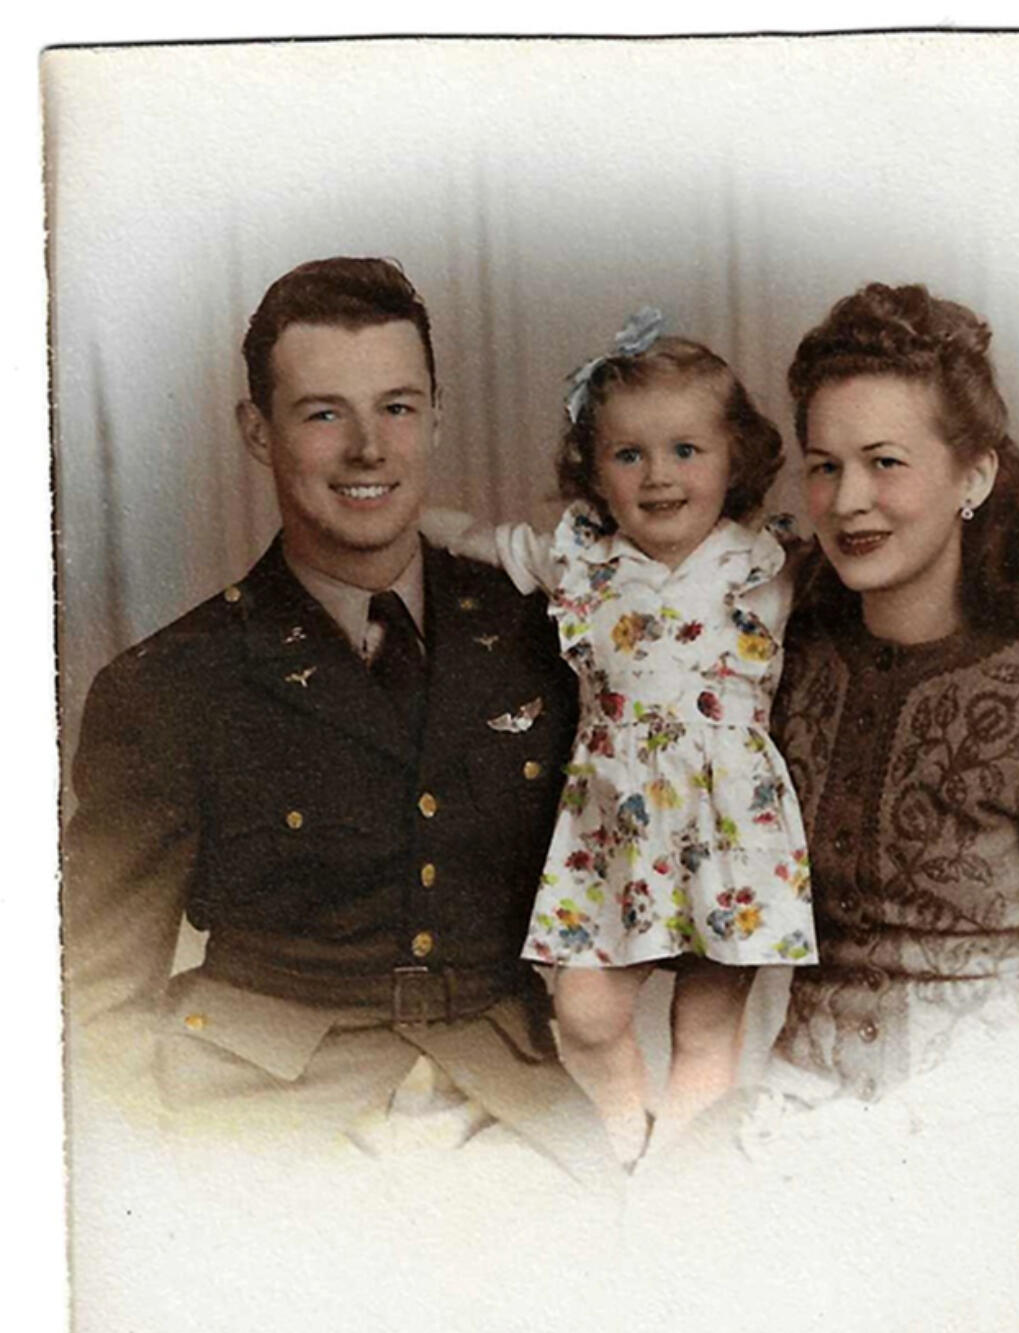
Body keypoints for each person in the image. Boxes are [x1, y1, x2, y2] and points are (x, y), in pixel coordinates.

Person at [62, 256, 579, 1152]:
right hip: (266, 1114)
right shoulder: (172, 684)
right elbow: (92, 1011)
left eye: (398, 407)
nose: (369, 448)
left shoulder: (543, 638)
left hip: (513, 1100)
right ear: (258, 432)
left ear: (436, 417)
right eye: (324, 412)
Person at [427, 310, 816, 1165]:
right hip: (614, 825)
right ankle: (626, 1142)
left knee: (706, 1024)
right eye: (628, 454)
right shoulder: (582, 558)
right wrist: (402, 514)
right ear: (595, 473)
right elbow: (481, 542)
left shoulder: (769, 563)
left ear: (734, 460)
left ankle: (682, 1178)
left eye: (687, 450)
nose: (659, 475)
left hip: (729, 826)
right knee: (588, 1012)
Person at [757, 281, 1019, 1119]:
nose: (848, 499)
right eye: (825, 467)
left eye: (885, 462)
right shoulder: (789, 663)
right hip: (797, 1110)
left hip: (992, 1119)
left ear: (974, 474)